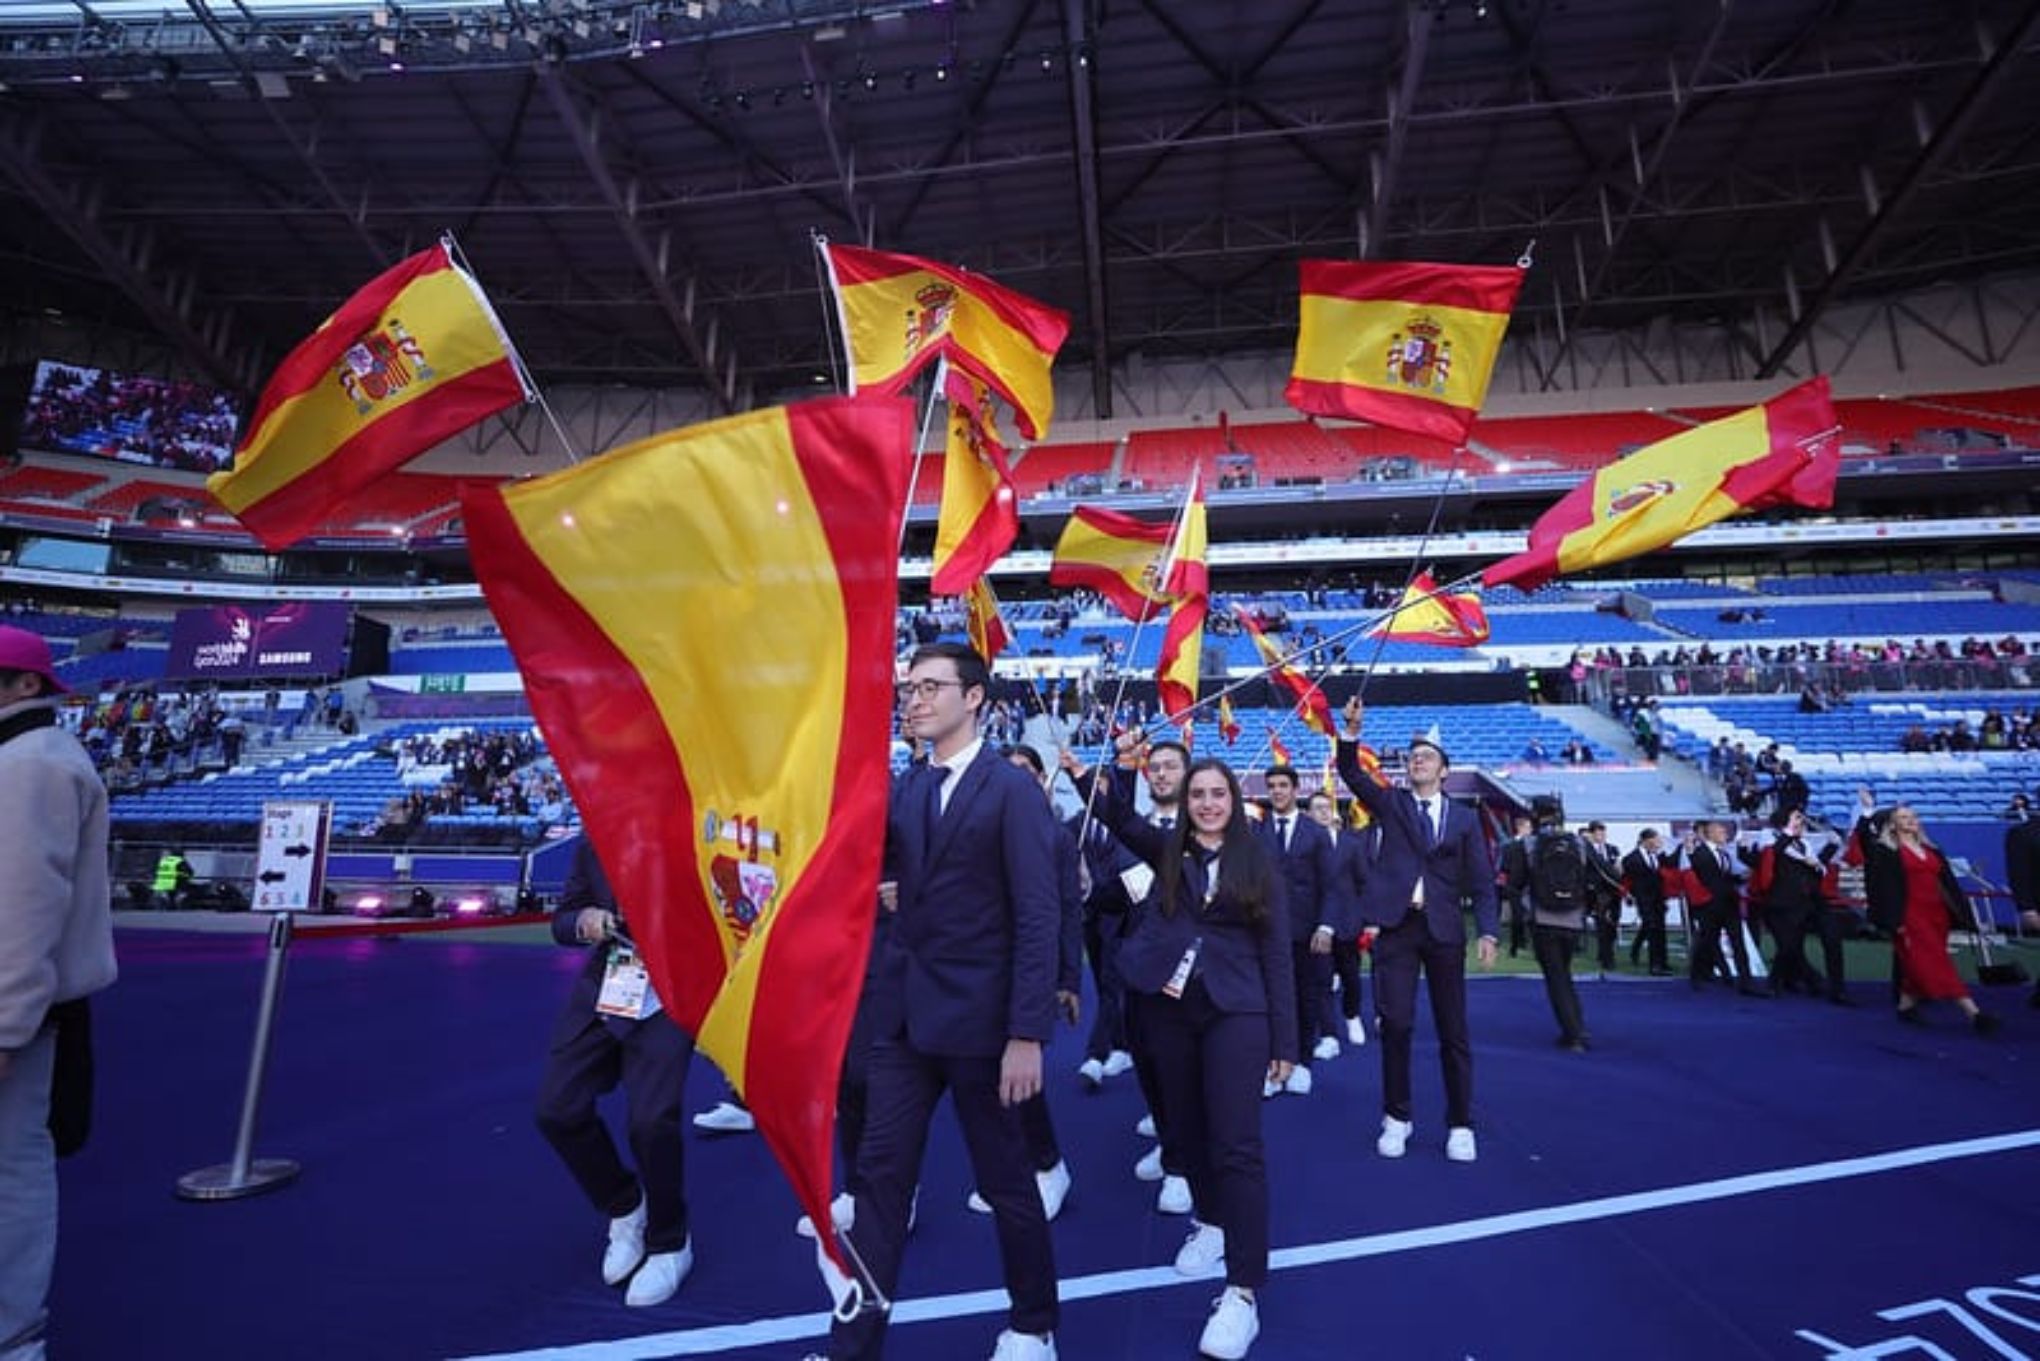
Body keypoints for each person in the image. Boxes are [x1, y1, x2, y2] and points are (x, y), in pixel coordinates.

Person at [818, 643, 1061, 1361]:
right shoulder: (911, 788)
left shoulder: (1011, 789)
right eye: (909, 687)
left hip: (987, 1031)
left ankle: (1034, 1324)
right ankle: (852, 1348)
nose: (914, 698)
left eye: (931, 686)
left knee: (1007, 1185)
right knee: (877, 1186)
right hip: (905, 1025)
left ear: (975, 696)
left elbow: (1038, 913)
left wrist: (1027, 1033)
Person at [1065, 737, 1296, 1361]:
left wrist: (1286, 1039)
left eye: (1219, 793)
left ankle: (1243, 1291)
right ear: (1186, 802)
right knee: (1186, 1135)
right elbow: (1119, 816)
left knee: (1237, 1145)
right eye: (1198, 794)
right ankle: (1212, 1223)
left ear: (1234, 801)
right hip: (1167, 1010)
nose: (1209, 802)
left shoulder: (1259, 862)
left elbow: (1277, 953)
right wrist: (1088, 772)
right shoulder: (1170, 852)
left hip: (1237, 1013)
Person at [0, 624, 118, 1360]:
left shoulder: (30, 764)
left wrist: (5, 1026)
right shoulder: (25, 757)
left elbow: (20, 905)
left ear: (25, 684)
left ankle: (12, 1331)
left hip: (24, 1015)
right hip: (28, 1008)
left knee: (10, 1169)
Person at [533, 836, 696, 1308]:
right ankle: (626, 1206)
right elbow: (563, 918)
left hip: (675, 989)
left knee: (652, 1121)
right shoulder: (597, 834)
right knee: (556, 1110)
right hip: (611, 980)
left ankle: (670, 1241)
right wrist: (582, 922)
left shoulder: (698, 825)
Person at [1335, 698, 1500, 1164]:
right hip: (1397, 928)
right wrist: (1350, 733)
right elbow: (1352, 774)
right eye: (1412, 757)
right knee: (1397, 1025)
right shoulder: (1394, 805)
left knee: (1454, 1031)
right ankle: (1397, 1116)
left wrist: (1487, 930)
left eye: (1426, 756)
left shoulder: (1465, 819)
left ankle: (1461, 1122)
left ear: (1444, 771)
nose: (1416, 761)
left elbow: (1483, 880)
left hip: (1445, 930)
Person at [963, 745, 1080, 1223]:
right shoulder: (982, 834)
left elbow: (1068, 912)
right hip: (983, 971)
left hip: (1030, 972)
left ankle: (1049, 1165)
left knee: (1020, 1076)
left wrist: (1067, 978)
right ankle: (1013, 1172)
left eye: (1026, 774)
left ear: (1040, 780)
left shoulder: (1054, 837)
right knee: (984, 1078)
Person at [1849, 791, 2000, 1034]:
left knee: (1919, 961)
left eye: (1913, 816)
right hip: (1908, 913)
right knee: (1936, 962)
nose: (1910, 820)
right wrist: (1867, 810)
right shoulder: (1885, 851)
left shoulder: (1932, 849)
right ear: (1892, 824)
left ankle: (1905, 1006)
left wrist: (1963, 914)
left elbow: (1947, 883)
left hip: (1936, 913)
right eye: (1903, 817)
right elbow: (1865, 839)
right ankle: (1974, 1013)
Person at [1259, 764, 1334, 1090]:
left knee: (1306, 997)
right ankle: (1271, 1064)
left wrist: (1326, 926)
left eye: (1283, 785)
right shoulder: (1255, 832)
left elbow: (1331, 885)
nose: (1277, 791)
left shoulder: (1315, 832)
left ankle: (1302, 1060)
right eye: (1272, 786)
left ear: (1295, 789)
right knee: (1268, 999)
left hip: (1306, 932)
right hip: (1265, 932)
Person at [1509, 797, 1591, 1051]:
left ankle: (1573, 1033)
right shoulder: (1578, 843)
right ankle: (1577, 1026)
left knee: (1556, 977)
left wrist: (1520, 921)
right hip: (1574, 918)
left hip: (1543, 918)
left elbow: (1515, 885)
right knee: (1564, 974)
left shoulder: (1527, 845)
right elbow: (1600, 876)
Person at [1752, 808, 1843, 1000]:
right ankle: (1781, 982)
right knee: (1788, 946)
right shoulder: (1775, 844)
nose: (1801, 825)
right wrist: (1789, 829)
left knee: (1800, 945)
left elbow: (1816, 867)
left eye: (1801, 822)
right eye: (1796, 821)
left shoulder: (1804, 845)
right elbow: (1776, 851)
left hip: (1808, 903)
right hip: (1782, 904)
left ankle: (1821, 985)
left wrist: (1831, 847)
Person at [1307, 791, 1369, 1049]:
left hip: (1347, 921)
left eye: (1326, 807)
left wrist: (1366, 918)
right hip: (1316, 923)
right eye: (1317, 808)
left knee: (1351, 976)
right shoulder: (1303, 844)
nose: (1322, 812)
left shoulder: (1350, 843)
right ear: (1308, 814)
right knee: (1320, 980)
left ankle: (1352, 1015)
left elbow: (1363, 880)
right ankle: (1328, 1033)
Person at [1683, 819, 1762, 996]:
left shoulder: (1724, 854)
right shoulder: (1700, 853)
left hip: (1730, 905)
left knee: (1739, 943)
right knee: (1706, 941)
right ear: (1710, 834)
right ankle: (1696, 976)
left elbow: (1724, 878)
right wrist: (1690, 851)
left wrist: (1742, 878)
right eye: (1721, 832)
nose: (1725, 835)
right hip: (1711, 907)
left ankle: (1746, 982)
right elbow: (1705, 875)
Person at [1622, 829, 1674, 976]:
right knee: (1652, 931)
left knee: (1661, 931)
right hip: (1645, 901)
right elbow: (1629, 880)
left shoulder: (1658, 856)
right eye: (1656, 840)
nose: (1658, 843)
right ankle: (1654, 965)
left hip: (1659, 900)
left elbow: (1670, 865)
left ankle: (1663, 962)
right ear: (1646, 840)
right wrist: (1630, 896)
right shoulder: (1631, 859)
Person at [1583, 822, 1624, 972]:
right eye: (1599, 834)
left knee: (1613, 922)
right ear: (1592, 834)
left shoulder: (1612, 849)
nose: (1602, 837)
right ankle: (1608, 958)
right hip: (1597, 892)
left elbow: (1619, 868)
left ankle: (1604, 952)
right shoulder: (1587, 851)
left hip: (1614, 890)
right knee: (1602, 924)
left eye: (1604, 833)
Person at [1497, 814, 1534, 959]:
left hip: (1531, 886)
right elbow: (1504, 867)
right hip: (1515, 887)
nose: (1530, 830)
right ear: (1520, 828)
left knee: (1532, 917)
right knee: (1517, 917)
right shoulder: (1509, 846)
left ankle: (1529, 944)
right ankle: (1515, 945)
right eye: (1528, 827)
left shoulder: (1535, 845)